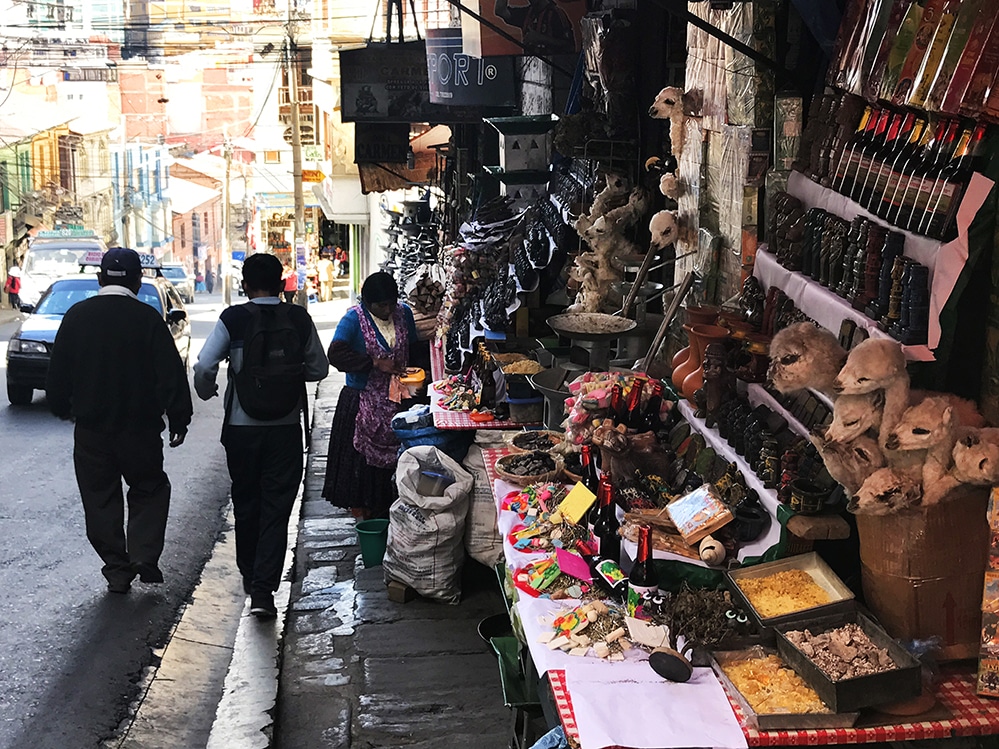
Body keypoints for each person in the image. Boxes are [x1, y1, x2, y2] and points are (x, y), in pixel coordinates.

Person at [45, 248, 192, 594]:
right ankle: (142, 553)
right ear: (138, 282)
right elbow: (170, 375)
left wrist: (63, 409)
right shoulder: (147, 319)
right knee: (150, 487)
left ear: (99, 280)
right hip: (140, 431)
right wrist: (179, 419)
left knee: (99, 497)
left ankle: (116, 567)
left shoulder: (76, 317)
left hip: (92, 431)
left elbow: (58, 375)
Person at [193, 253, 329, 619]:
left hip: (241, 430)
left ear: (247, 284)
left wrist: (208, 392)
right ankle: (264, 592)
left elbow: (205, 366)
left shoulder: (233, 318)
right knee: (277, 508)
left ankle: (250, 577)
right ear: (281, 281)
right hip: (285, 430)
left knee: (247, 502)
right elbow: (319, 368)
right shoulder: (298, 318)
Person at [323, 272, 426, 519]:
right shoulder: (353, 320)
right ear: (367, 303)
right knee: (365, 466)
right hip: (363, 402)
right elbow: (336, 355)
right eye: (381, 305)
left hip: (401, 398)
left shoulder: (404, 314)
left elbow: (413, 347)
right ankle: (371, 513)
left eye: (391, 303)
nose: (388, 309)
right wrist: (373, 362)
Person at [494, 0, 575, 54]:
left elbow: (569, 46)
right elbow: (500, 11)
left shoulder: (555, 13)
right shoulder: (527, 13)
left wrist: (541, 39)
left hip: (555, 70)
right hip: (528, 69)